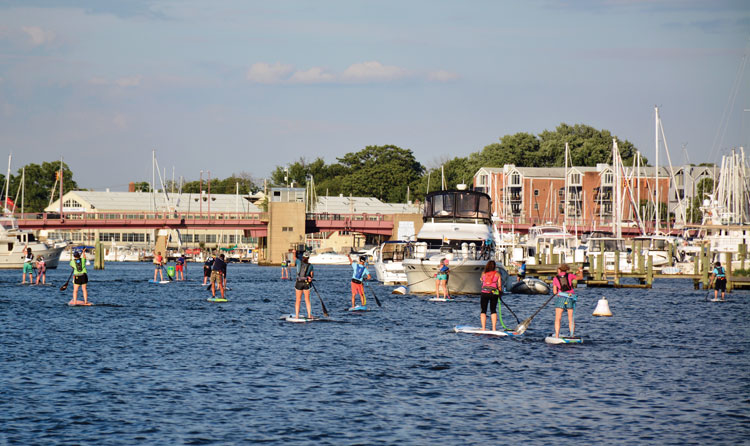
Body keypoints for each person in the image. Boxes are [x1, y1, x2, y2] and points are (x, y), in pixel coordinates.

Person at [552, 264, 584, 338]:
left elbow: (554, 292)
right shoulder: (570, 275)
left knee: (558, 318)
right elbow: (581, 277)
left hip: (561, 298)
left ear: (559, 270)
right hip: (570, 297)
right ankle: (572, 335)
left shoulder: (555, 278)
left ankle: (557, 335)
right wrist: (581, 271)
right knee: (571, 318)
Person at [479, 260, 502, 331]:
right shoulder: (497, 274)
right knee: (493, 310)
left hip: (484, 293)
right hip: (494, 293)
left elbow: (482, 280)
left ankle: (483, 328)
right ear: (494, 266)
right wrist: (500, 294)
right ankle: (494, 328)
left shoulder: (483, 273)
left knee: (483, 310)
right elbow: (499, 285)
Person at [294, 252, 314, 319]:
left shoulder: (298, 262)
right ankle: (309, 315)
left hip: (299, 282)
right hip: (306, 283)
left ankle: (296, 316)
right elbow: (311, 276)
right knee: (307, 300)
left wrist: (294, 253)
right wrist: (310, 278)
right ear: (308, 258)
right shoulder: (310, 266)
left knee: (298, 300)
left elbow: (294, 258)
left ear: (303, 257)